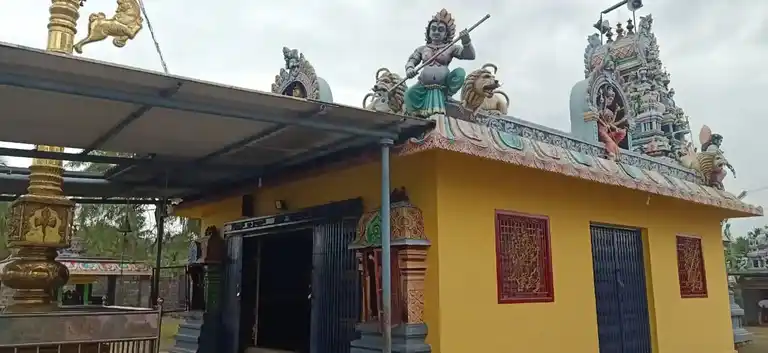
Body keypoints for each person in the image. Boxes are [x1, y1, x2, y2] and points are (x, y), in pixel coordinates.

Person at [404, 9, 476, 118]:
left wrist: (466, 42)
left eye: (440, 29)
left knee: (460, 73)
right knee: (409, 94)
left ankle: (446, 95)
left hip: (443, 85)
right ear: (428, 32)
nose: (436, 32)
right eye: (433, 29)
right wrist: (410, 69)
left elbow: (469, 55)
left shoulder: (450, 47)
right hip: (424, 85)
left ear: (446, 33)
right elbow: (412, 60)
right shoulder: (422, 49)